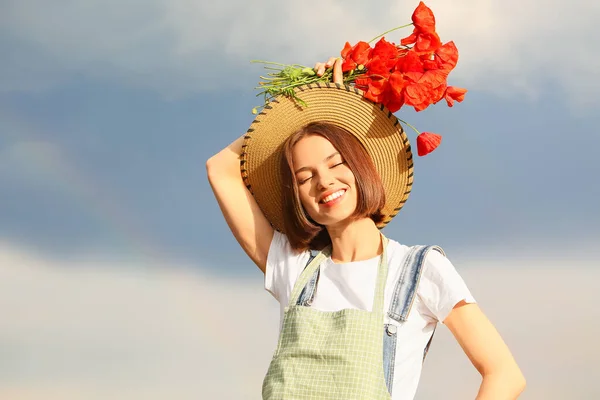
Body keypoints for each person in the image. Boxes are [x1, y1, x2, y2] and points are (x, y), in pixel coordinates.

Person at [206, 57, 525, 399]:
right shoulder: (292, 266)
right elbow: (220, 167)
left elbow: (504, 375)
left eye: (336, 163)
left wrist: (319, 98)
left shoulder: (419, 269)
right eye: (305, 177)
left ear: (360, 167)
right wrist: (301, 100)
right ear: (297, 197)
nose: (324, 181)